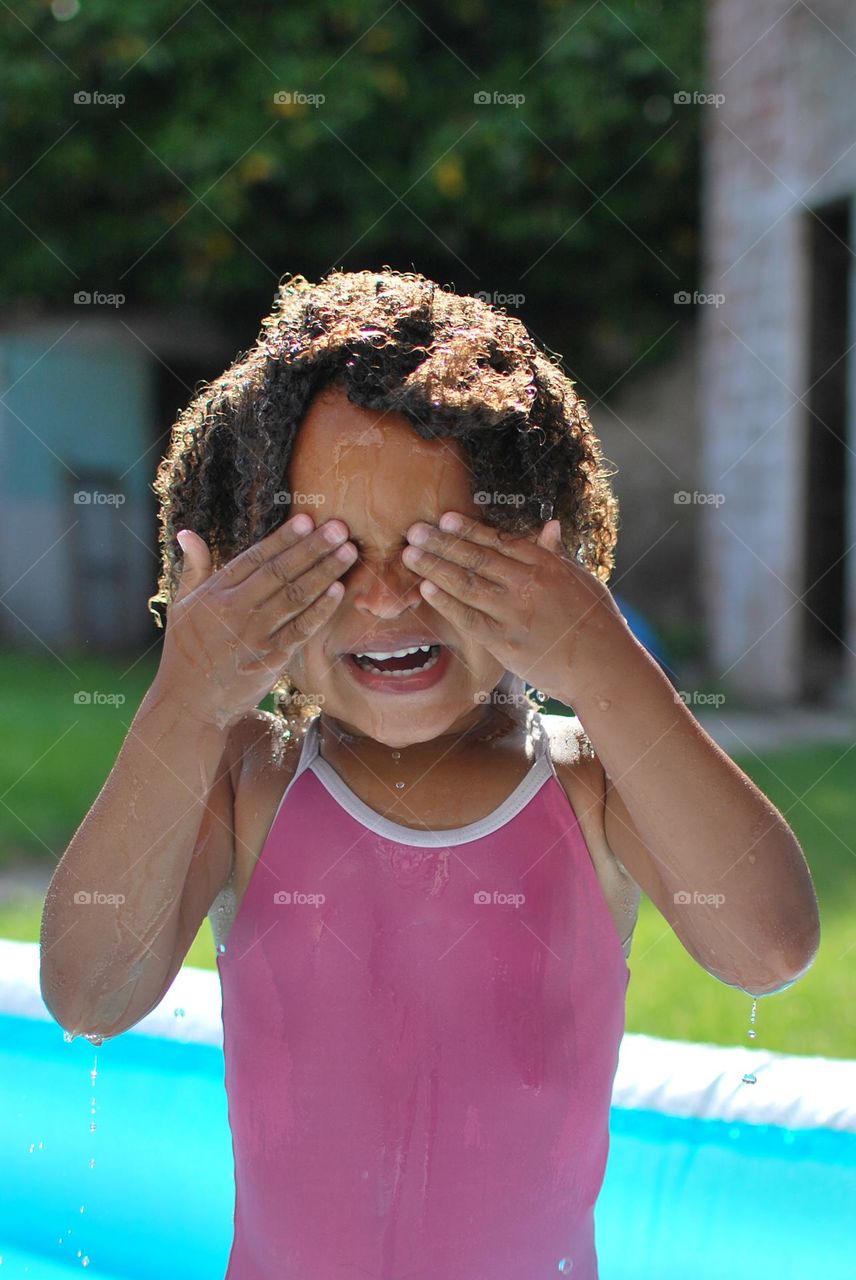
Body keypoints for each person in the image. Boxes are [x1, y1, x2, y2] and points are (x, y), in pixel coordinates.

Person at [41, 269, 820, 1280]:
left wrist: (602, 662)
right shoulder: (248, 778)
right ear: (242, 572)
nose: (385, 593)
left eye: (436, 546)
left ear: (547, 549)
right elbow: (87, 989)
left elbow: (766, 945)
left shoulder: (588, 790)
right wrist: (185, 703)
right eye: (325, 555)